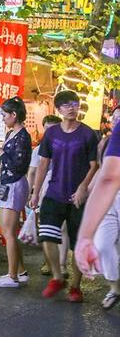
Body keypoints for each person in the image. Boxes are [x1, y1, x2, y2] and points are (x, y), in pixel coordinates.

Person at [32, 90, 98, 303]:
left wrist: (83, 188)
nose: (71, 107)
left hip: (78, 197)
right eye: (66, 105)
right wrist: (35, 192)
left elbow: (94, 165)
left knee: (78, 243)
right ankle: (58, 277)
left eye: (75, 103)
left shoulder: (88, 134)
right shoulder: (51, 135)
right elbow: (43, 163)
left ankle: (76, 287)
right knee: (47, 235)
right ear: (58, 109)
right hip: (54, 193)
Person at [0, 97, 32, 288]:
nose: (2, 118)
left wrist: (0, 151)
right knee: (8, 231)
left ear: (14, 115)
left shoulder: (22, 137)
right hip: (7, 184)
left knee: (9, 232)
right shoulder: (11, 133)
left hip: (14, 184)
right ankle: (20, 271)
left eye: (4, 115)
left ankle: (12, 276)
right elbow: (6, 161)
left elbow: (17, 166)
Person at [79, 105, 120, 309]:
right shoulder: (106, 142)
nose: (117, 119)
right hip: (110, 199)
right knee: (103, 244)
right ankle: (115, 288)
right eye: (115, 117)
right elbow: (105, 174)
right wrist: (87, 190)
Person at [27, 115, 69, 277]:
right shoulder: (38, 150)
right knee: (46, 229)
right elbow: (31, 173)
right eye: (48, 128)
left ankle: (62, 264)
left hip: (65, 191)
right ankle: (48, 262)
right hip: (44, 193)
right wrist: (30, 193)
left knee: (63, 227)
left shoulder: (67, 147)